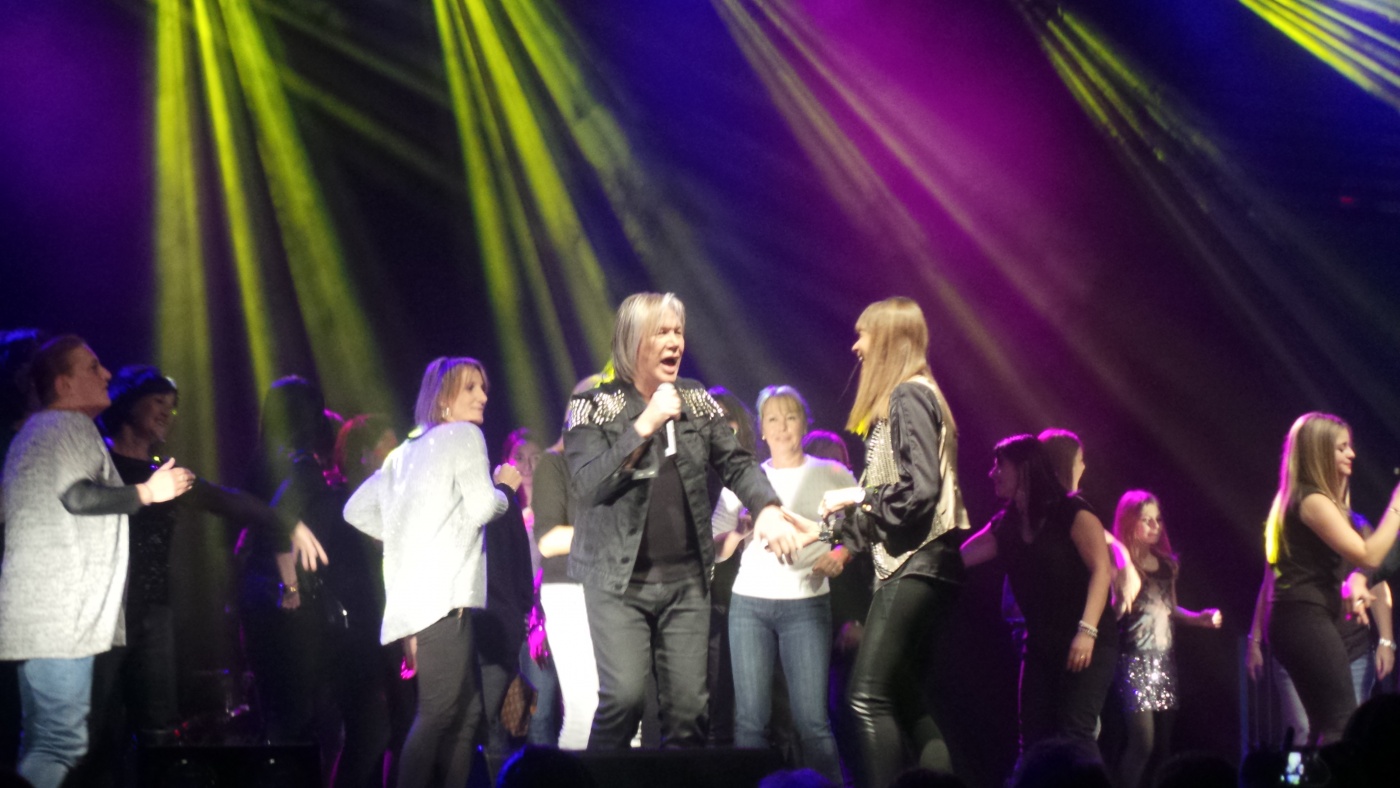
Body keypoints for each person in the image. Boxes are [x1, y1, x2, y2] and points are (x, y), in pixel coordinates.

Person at [76, 366, 325, 787]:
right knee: (97, 724)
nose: (166, 413)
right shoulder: (96, 459)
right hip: (99, 609)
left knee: (158, 727)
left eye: (172, 407)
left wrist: (289, 523)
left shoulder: (166, 472)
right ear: (129, 402)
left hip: (153, 614)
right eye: (158, 401)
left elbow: (228, 500)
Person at [563, 292, 790, 750]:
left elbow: (738, 462)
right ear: (633, 340)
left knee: (689, 716)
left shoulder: (695, 399)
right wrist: (644, 425)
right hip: (616, 582)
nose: (675, 342)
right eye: (661, 332)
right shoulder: (592, 404)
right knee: (624, 700)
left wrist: (767, 507)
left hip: (686, 580)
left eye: (678, 332)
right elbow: (586, 484)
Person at [0, 335, 194, 788]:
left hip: (40, 617)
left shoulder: (34, 433)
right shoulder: (69, 425)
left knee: (42, 741)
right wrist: (149, 492)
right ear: (64, 384)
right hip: (60, 621)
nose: (106, 373)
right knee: (59, 744)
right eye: (92, 367)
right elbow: (78, 497)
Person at [815, 297, 971, 788]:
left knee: (865, 697)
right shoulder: (914, 396)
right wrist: (828, 533)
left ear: (887, 340)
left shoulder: (909, 395)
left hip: (917, 565)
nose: (855, 345)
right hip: (927, 566)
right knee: (905, 697)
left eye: (863, 334)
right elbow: (892, 496)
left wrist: (854, 494)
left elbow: (919, 490)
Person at [344, 356, 522, 787]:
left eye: (483, 388)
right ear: (443, 399)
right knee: (438, 714)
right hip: (443, 602)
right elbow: (484, 507)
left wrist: (406, 533)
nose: (483, 397)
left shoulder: (402, 455)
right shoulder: (464, 435)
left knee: (468, 713)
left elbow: (356, 510)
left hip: (422, 603)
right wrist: (506, 487)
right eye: (470, 388)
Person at [240, 376, 387, 785]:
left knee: (284, 719)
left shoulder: (265, 463)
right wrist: (290, 587)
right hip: (289, 605)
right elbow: (278, 525)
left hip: (260, 598)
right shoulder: (301, 467)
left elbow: (244, 538)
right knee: (305, 721)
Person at [715, 386, 855, 784]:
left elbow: (857, 530)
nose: (781, 426)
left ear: (804, 423)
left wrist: (839, 553)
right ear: (761, 428)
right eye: (772, 419)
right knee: (750, 722)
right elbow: (715, 547)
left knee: (811, 721)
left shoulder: (831, 473)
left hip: (806, 603)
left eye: (790, 417)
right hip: (749, 605)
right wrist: (741, 531)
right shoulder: (746, 477)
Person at [960, 435, 1115, 754]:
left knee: (1076, 731)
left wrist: (1086, 631)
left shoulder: (1071, 511)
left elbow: (1102, 571)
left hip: (1088, 642)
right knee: (1034, 739)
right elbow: (957, 559)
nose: (992, 473)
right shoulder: (1008, 523)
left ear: (1024, 469)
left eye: (999, 465)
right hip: (1042, 643)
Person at [1263, 412, 1400, 744]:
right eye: (1341, 448)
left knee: (1325, 725)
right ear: (1319, 452)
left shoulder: (1318, 499)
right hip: (1301, 617)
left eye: (1349, 446)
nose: (1352, 453)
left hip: (1306, 615)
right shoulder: (1310, 499)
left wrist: (1355, 582)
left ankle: (1317, 771)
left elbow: (1365, 564)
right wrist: (1397, 506)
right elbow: (1368, 555)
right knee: (1341, 722)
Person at [1109, 490, 1222, 788]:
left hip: (1163, 662)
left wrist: (1198, 618)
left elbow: (1169, 608)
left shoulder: (1167, 566)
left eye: (1158, 520)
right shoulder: (1122, 565)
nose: (1154, 526)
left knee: (1162, 746)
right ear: (1129, 521)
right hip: (1134, 660)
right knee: (1142, 742)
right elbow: (1114, 610)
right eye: (1146, 520)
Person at [531, 378, 601, 750]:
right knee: (584, 708)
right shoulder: (553, 464)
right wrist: (613, 532)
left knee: (623, 707)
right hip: (568, 591)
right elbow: (548, 539)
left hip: (610, 590)